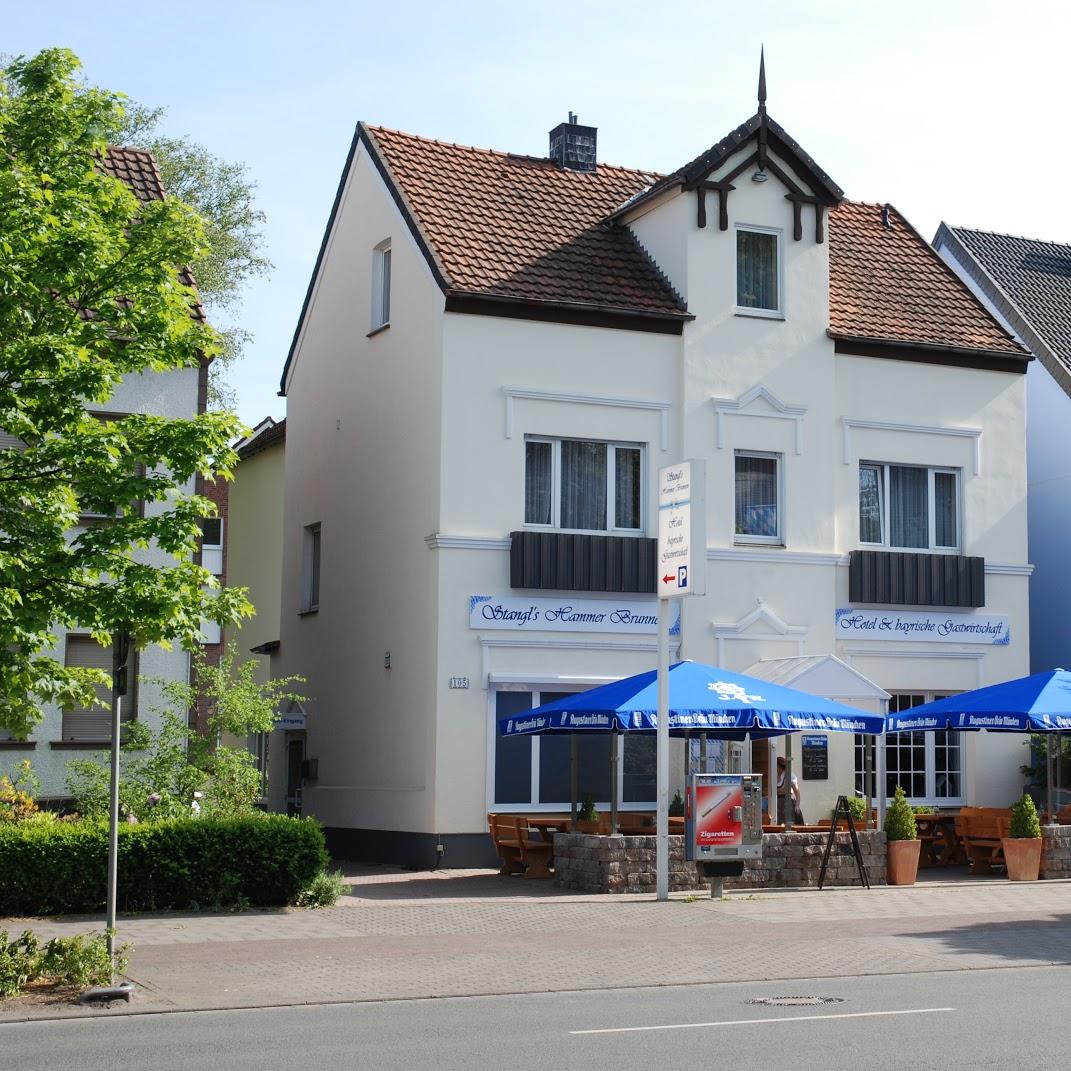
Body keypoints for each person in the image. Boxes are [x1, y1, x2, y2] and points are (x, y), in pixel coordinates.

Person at [776, 755, 804, 824]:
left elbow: (797, 792)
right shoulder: (775, 776)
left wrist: (797, 806)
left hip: (788, 803)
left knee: (789, 823)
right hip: (778, 804)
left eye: (776, 766)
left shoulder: (789, 775)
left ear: (780, 766)